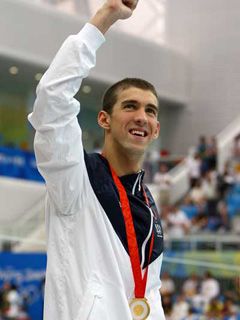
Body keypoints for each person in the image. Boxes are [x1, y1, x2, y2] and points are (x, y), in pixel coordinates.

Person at [28, 1, 165, 319]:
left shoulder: (147, 201)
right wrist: (106, 18)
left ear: (156, 129)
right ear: (104, 119)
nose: (141, 117)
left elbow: (149, 293)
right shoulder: (75, 178)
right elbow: (52, 100)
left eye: (150, 111)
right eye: (130, 106)